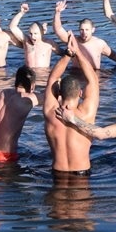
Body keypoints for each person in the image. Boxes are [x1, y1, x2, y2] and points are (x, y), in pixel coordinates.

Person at [43, 34, 99, 176]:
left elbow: (52, 79)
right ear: (80, 93)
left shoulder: (51, 112)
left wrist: (67, 55)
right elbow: (93, 80)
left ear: (59, 93)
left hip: (57, 172)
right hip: (81, 172)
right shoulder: (86, 113)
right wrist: (77, 52)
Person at [0, 65, 39, 163]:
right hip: (5, 158)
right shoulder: (26, 100)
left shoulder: (3, 93)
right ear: (33, 86)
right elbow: (50, 97)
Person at [52, 0, 116, 70]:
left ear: (93, 30)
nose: (84, 32)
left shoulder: (100, 43)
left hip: (95, 74)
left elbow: (113, 56)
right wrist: (57, 13)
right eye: (81, 30)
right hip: (76, 74)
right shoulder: (73, 41)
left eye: (87, 30)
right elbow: (58, 30)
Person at [8, 3, 61, 68]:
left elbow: (63, 53)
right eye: (30, 33)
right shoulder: (26, 41)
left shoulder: (49, 43)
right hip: (28, 75)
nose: (32, 37)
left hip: (44, 75)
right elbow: (12, 27)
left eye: (35, 34)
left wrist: (57, 12)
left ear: (42, 33)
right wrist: (21, 13)